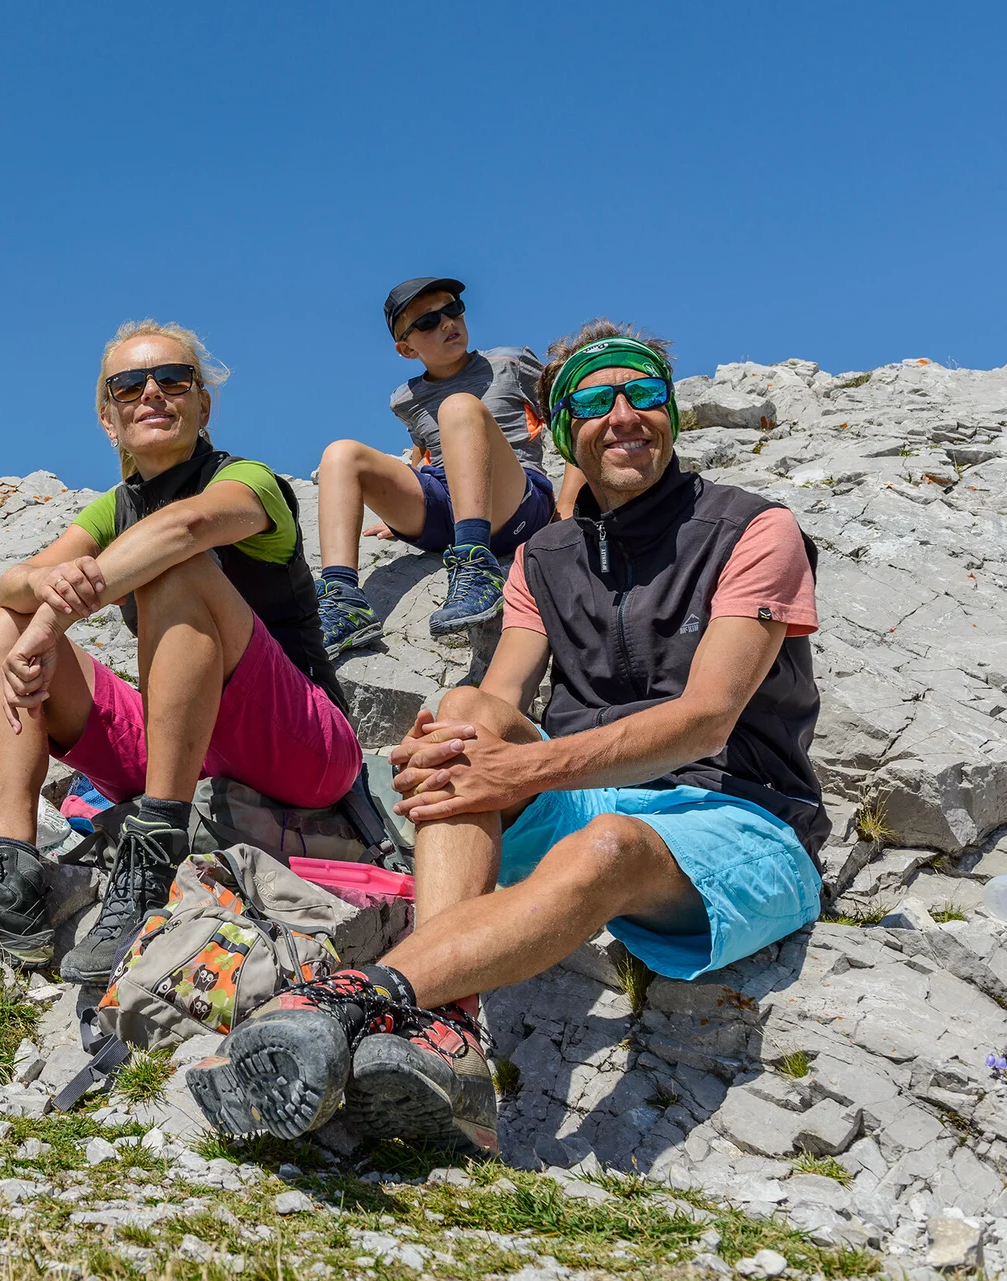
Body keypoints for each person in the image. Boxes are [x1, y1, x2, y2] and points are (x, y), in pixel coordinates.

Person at [193, 321, 828, 1154]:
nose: (624, 415)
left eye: (643, 393)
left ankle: (351, 997)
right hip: (587, 795)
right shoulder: (544, 556)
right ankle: (450, 1031)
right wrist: (444, 749)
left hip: (742, 818)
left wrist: (521, 769)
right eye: (595, 403)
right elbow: (497, 700)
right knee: (462, 711)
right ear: (563, 431)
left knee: (606, 842)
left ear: (671, 412)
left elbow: (708, 716)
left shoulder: (753, 529)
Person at [0, 320, 364, 986]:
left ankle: (155, 861)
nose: (152, 392)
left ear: (202, 404)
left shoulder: (247, 480)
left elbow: (186, 525)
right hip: (181, 739)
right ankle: (9, 883)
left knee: (176, 568)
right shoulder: (115, 508)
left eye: (174, 379)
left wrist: (56, 615)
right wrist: (44, 588)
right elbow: (11, 582)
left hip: (301, 742)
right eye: (129, 385)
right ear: (109, 418)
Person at [314, 277, 581, 654]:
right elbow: (423, 452)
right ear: (406, 349)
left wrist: (568, 504)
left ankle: (476, 567)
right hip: (445, 513)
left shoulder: (510, 363)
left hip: (513, 504)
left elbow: (575, 423)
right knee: (340, 452)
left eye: (452, 309)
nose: (446, 323)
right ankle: (343, 599)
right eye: (427, 321)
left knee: (458, 406)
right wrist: (399, 511)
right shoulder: (405, 398)